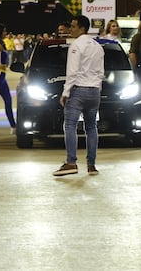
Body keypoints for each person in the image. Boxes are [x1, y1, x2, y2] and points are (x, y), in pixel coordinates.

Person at [53, 15, 104, 176]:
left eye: (73, 26)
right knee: (91, 127)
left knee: (70, 125)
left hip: (78, 91)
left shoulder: (76, 45)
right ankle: (91, 165)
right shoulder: (98, 46)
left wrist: (65, 92)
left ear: (81, 28)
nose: (71, 29)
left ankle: (71, 162)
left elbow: (72, 71)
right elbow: (100, 72)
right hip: (94, 91)